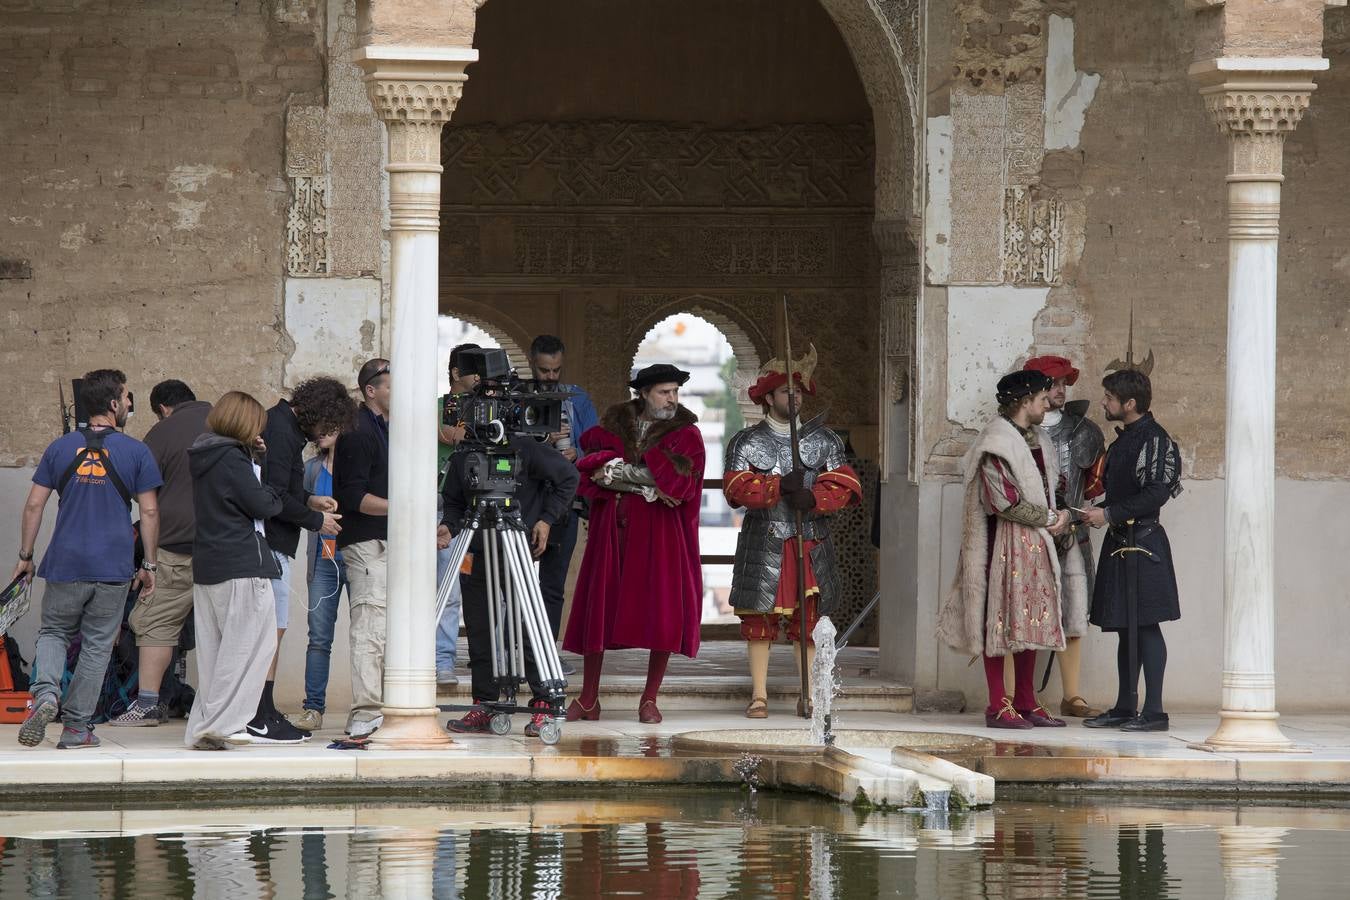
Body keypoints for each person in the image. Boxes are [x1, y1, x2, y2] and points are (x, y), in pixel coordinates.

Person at [12, 369, 162, 749]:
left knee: (54, 633)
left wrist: (26, 556)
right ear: (113, 405)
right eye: (127, 398)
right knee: (97, 644)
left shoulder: (60, 447)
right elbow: (149, 513)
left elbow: (33, 505)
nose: (131, 404)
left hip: (65, 561)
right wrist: (150, 566)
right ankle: (77, 728)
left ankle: (45, 696)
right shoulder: (136, 452)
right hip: (112, 566)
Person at [723, 345, 862, 718]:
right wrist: (775, 488)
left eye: (799, 391)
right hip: (764, 538)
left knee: (809, 618)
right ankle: (759, 695)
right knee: (759, 618)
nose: (795, 397)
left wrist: (812, 498)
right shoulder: (746, 441)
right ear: (768, 397)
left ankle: (809, 694)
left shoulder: (825, 440)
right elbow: (735, 488)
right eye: (787, 391)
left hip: (811, 538)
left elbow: (846, 485)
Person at [562, 363, 705, 724]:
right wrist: (649, 483)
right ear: (643, 394)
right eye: (664, 392)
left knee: (663, 610)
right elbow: (593, 470)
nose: (672, 399)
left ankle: (649, 699)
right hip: (613, 531)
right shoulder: (610, 428)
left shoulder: (686, 435)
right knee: (601, 607)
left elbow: (680, 483)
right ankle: (589, 699)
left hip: (661, 535)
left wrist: (621, 472)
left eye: (675, 391)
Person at [937, 370, 1070, 730]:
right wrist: (1049, 517)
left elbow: (1050, 486)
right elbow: (1002, 501)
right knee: (996, 620)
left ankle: (1026, 701)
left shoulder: (1039, 439)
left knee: (1031, 619)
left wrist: (1057, 517)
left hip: (1035, 542)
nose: (1048, 402)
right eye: (1043, 397)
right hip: (1003, 544)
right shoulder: (995, 442)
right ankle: (998, 705)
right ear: (1024, 400)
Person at [439, 433, 578, 737]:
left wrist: (546, 519)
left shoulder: (524, 447)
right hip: (475, 549)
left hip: (516, 545)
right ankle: (485, 702)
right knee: (479, 627)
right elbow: (452, 501)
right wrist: (448, 526)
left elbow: (569, 476)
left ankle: (543, 701)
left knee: (529, 625)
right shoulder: (464, 454)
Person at [1080, 368, 1182, 732]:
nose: (1104, 402)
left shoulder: (1155, 439)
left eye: (1109, 397)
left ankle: (1154, 712)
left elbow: (1156, 492)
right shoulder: (1123, 441)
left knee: (1147, 627)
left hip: (1144, 542)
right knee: (1126, 627)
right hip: (1122, 541)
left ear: (1130, 403)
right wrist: (1090, 511)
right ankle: (1125, 706)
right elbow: (1124, 493)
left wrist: (1107, 514)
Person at [250, 377, 351, 742]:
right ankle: (259, 713)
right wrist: (315, 519)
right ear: (319, 413)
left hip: (277, 544)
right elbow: (273, 496)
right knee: (272, 630)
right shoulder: (281, 432)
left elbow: (283, 488)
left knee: (275, 627)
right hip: (271, 545)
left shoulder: (284, 426)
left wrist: (309, 499)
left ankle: (265, 708)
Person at [184, 391, 286, 750]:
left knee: (215, 652)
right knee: (251, 647)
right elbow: (262, 503)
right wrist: (266, 473)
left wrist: (253, 459)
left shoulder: (204, 455)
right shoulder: (231, 458)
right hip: (242, 563)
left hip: (208, 565)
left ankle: (204, 727)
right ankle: (223, 724)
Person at [108, 379, 210, 727]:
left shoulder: (162, 432)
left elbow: (143, 493)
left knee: (156, 623)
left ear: (163, 408)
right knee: (223, 627)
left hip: (176, 546)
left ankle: (148, 704)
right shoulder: (225, 421)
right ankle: (221, 706)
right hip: (226, 547)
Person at [1023, 355, 1106, 719]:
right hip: (1028, 532)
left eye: (1063, 384)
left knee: (1073, 612)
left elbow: (1095, 487)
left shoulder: (1085, 432)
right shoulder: (1020, 431)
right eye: (1053, 383)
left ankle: (1071, 695)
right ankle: (1020, 695)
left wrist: (1073, 515)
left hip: (1072, 533)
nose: (1060, 390)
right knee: (1025, 612)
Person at [527, 334, 599, 675]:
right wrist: (542, 439)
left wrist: (576, 454)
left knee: (552, 585)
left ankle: (546, 654)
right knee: (515, 583)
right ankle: (516, 652)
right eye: (544, 371)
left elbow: (598, 446)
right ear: (532, 364)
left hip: (565, 505)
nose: (550, 377)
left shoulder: (577, 399)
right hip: (526, 505)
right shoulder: (520, 398)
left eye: (555, 370)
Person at [333, 358, 391, 738]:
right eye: (389, 385)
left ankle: (383, 708)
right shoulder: (357, 431)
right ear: (371, 390)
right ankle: (365, 713)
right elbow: (352, 495)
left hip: (386, 541)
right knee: (369, 629)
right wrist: (406, 510)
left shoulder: (385, 427)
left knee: (385, 629)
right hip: (367, 542)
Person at [434, 343, 481, 687]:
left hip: (478, 505)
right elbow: (450, 436)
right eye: (473, 371)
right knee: (446, 589)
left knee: (477, 584)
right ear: (455, 373)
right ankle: (442, 660)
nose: (480, 378)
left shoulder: (487, 409)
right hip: (442, 507)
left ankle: (485, 659)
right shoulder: (437, 407)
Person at [295, 429, 348, 732]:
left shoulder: (356, 462)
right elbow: (299, 504)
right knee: (318, 638)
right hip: (323, 560)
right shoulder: (312, 468)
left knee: (367, 635)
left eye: (331, 425)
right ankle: (313, 708)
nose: (321, 432)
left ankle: (366, 708)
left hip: (356, 557)